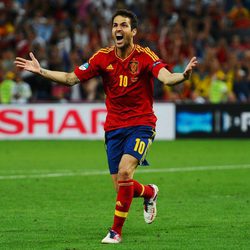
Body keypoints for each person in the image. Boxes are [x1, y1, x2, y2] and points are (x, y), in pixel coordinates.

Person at [14, 9, 197, 244]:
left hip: (141, 124)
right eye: (115, 25)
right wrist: (41, 71)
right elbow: (71, 79)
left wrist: (183, 76)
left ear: (133, 31)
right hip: (113, 128)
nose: (118, 29)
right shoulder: (102, 57)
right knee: (123, 186)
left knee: (124, 172)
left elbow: (166, 78)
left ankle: (115, 232)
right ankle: (150, 192)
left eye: (123, 25)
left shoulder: (145, 56)